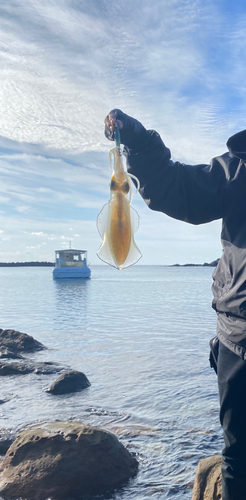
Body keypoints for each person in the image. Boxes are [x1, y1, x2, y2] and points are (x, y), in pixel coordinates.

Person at [104, 109, 246, 500]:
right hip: (240, 342)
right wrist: (137, 139)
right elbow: (175, 187)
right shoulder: (238, 170)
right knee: (240, 459)